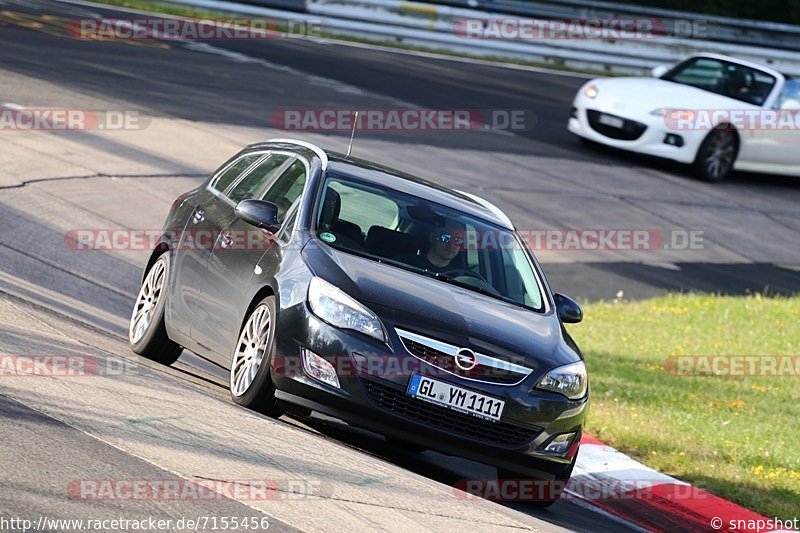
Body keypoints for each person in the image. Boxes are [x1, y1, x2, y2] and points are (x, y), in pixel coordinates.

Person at [399, 222, 465, 273]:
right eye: (446, 238)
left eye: (457, 241)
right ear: (432, 238)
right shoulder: (405, 262)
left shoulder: (459, 277)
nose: (451, 245)